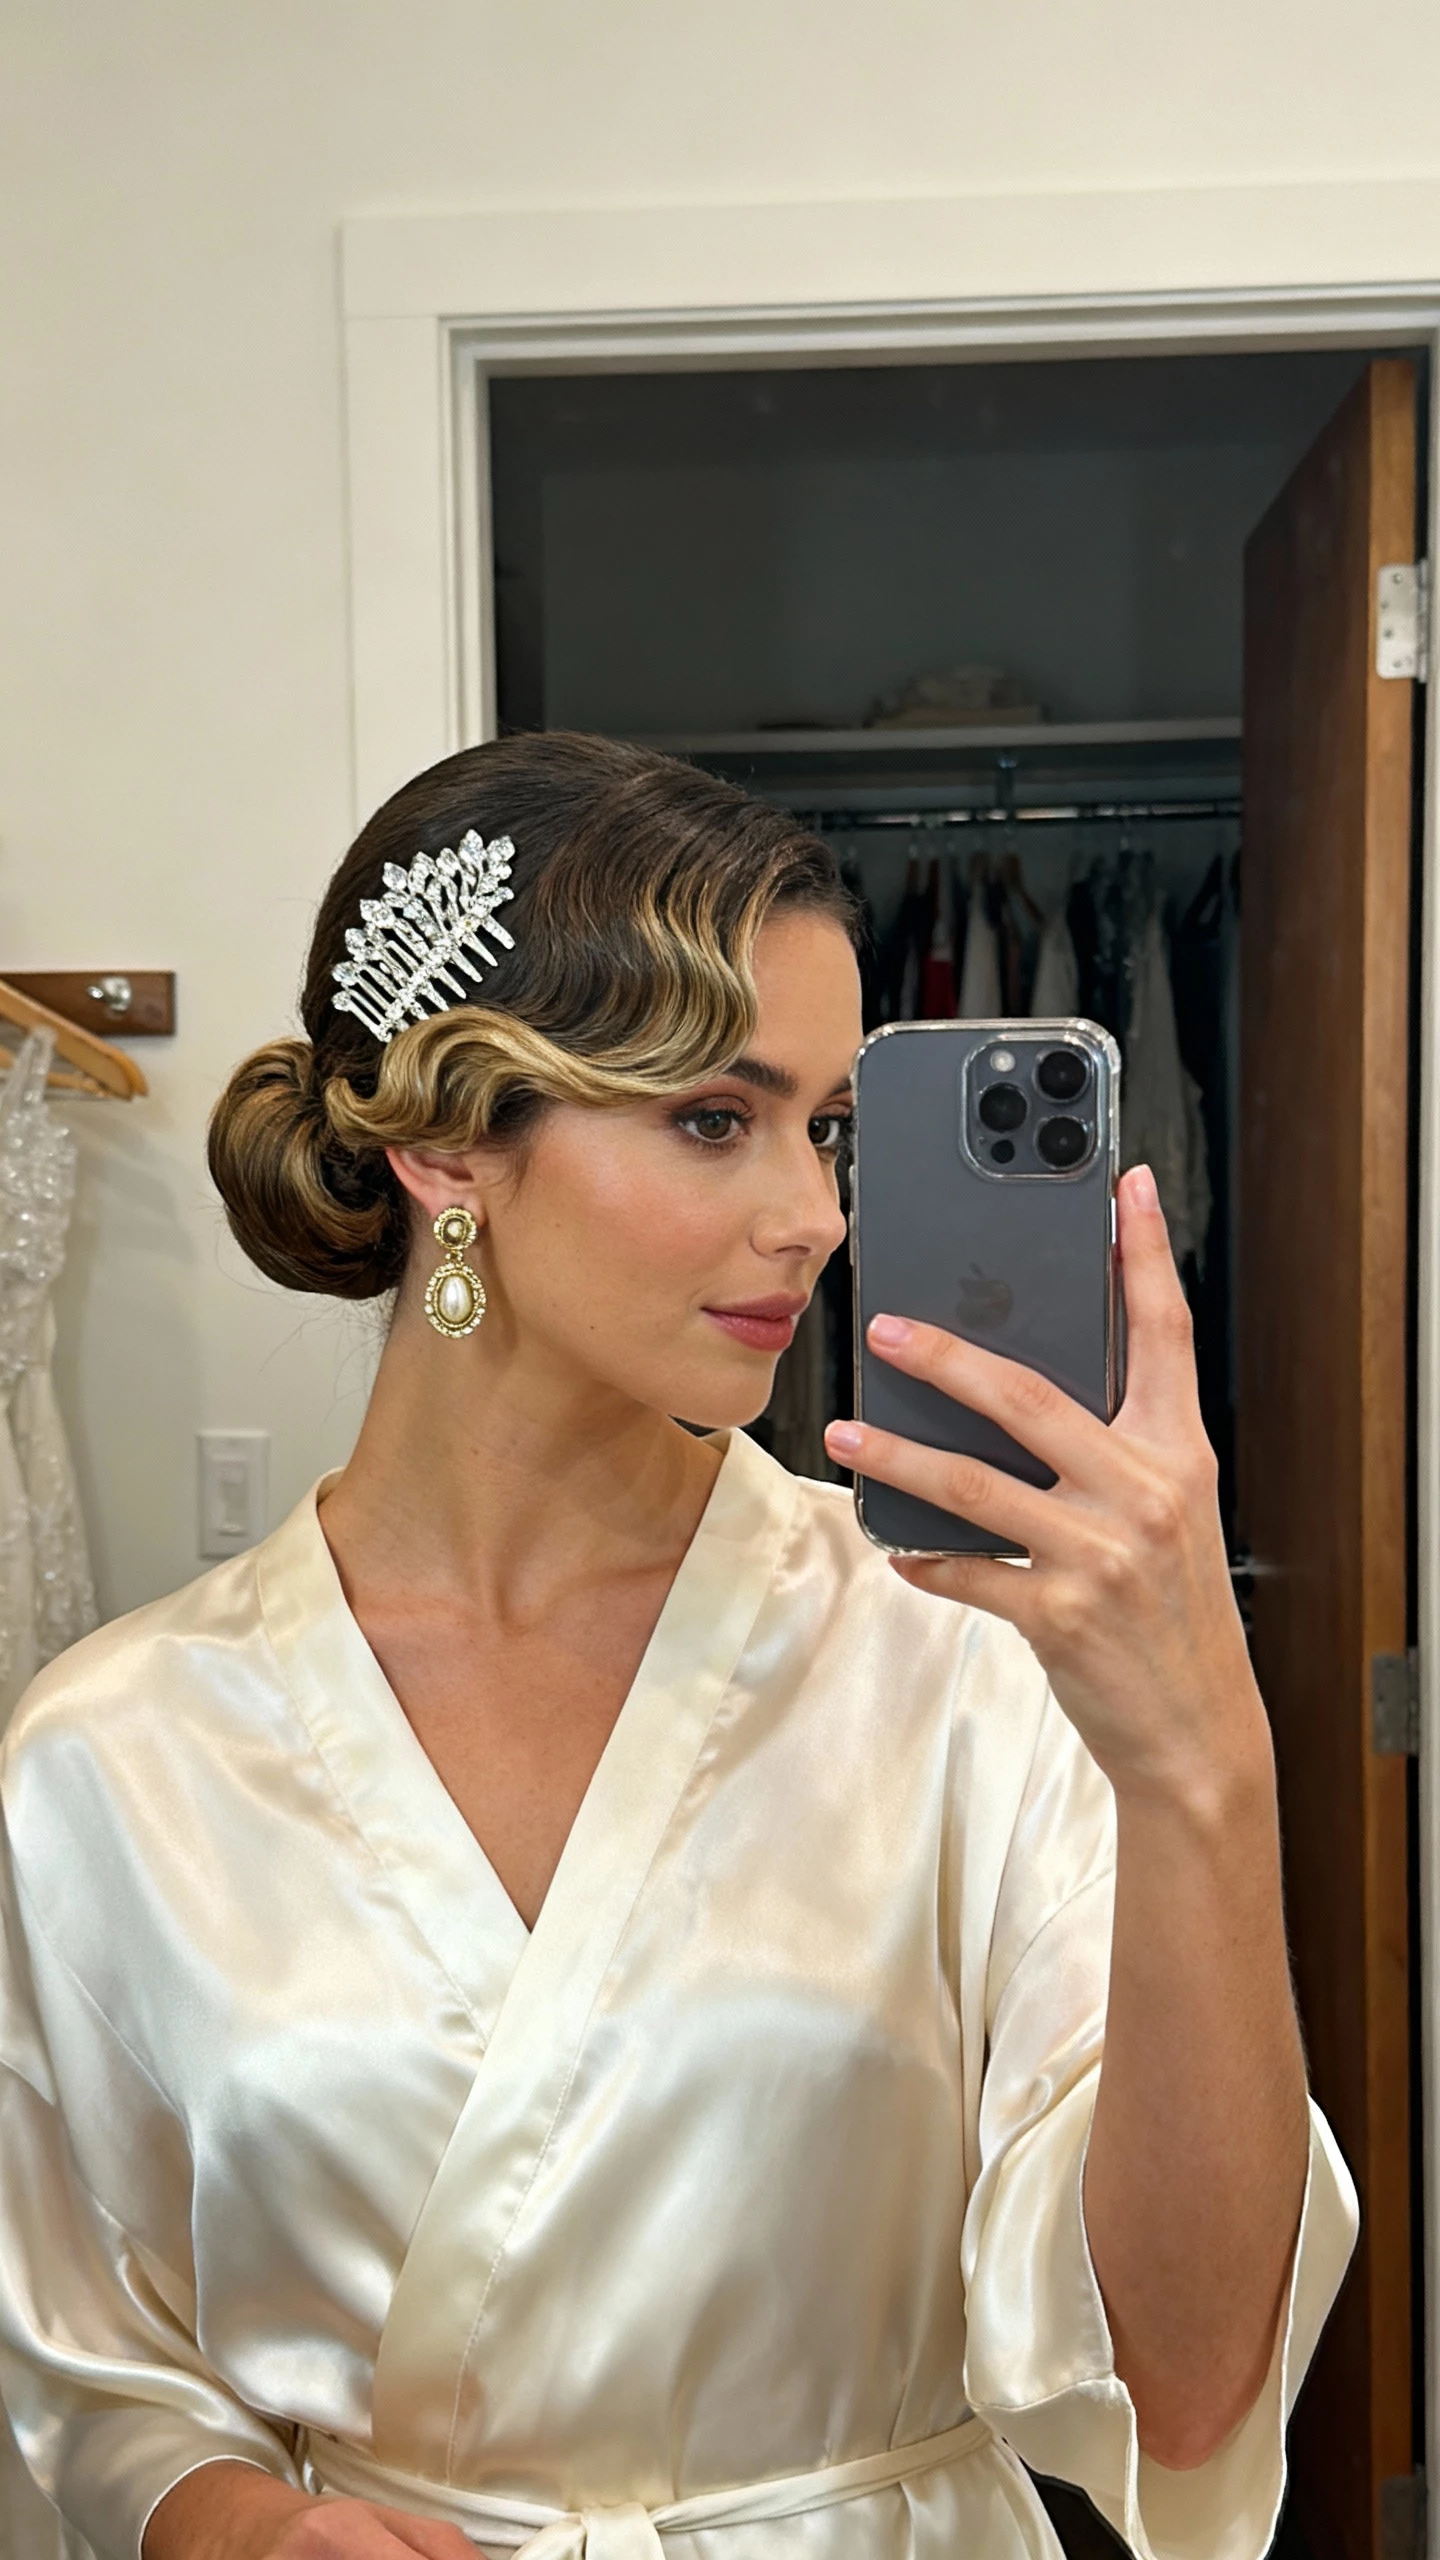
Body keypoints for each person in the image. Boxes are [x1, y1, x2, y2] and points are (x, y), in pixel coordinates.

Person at [0, 734, 1354, 2560]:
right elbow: (101, 2373)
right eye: (718, 1120)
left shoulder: (953, 1655)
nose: (816, 1216)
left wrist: (1204, 1764)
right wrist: (244, 2528)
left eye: (827, 1129)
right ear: (445, 1144)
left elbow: (1186, 2388)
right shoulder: (115, 1752)